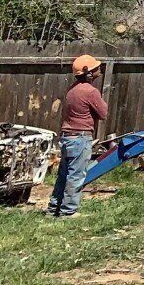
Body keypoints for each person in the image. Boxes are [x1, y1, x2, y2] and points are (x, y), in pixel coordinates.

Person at [49, 55, 108, 219]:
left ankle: (54, 208)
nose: (99, 70)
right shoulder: (90, 91)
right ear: (87, 73)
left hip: (67, 137)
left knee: (63, 175)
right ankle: (68, 212)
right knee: (76, 176)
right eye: (96, 68)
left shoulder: (72, 89)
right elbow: (103, 113)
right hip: (80, 138)